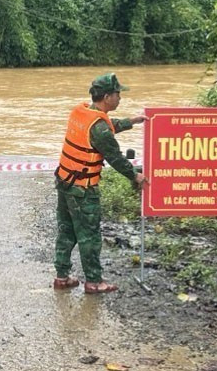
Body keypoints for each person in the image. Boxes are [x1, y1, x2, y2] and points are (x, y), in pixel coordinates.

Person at [53, 72, 147, 294]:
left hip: (65, 181)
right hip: (82, 190)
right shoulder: (100, 128)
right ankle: (94, 282)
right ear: (106, 97)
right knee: (89, 236)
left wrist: (130, 122)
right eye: (117, 94)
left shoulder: (82, 112)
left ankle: (62, 276)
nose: (120, 98)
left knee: (66, 231)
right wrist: (136, 176)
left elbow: (106, 126)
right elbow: (115, 158)